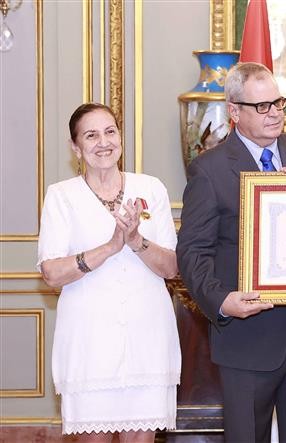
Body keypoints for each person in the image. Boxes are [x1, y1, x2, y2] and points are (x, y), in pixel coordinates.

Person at [176, 62, 286, 443]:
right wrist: (221, 302)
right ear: (234, 112)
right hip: (247, 338)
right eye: (262, 106)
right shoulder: (209, 170)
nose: (275, 113)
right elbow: (192, 252)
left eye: (279, 103)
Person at [37, 103, 181, 442]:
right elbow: (52, 273)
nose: (103, 142)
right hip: (89, 344)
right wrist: (109, 248)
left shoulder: (151, 188)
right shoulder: (61, 196)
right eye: (91, 135)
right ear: (75, 147)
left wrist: (135, 240)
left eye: (110, 132)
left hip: (148, 340)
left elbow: (173, 267)